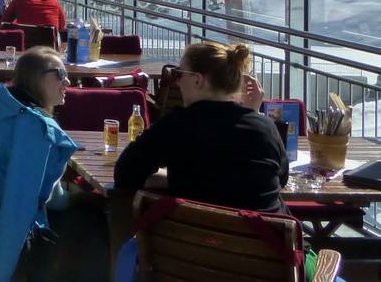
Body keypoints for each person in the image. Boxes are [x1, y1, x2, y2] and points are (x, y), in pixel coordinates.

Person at [0, 47, 109, 282]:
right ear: (35, 78)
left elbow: (46, 194)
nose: (67, 81)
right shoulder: (33, 128)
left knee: (90, 212)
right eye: (59, 73)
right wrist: (0, 277)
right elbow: (18, 208)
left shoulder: (1, 108)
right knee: (97, 226)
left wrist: (81, 198)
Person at [114, 40, 288, 214]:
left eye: (178, 74)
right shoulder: (266, 128)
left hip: (193, 230)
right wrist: (254, 114)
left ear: (197, 80)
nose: (177, 82)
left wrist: (171, 178)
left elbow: (125, 174)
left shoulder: (176, 124)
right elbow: (280, 179)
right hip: (266, 230)